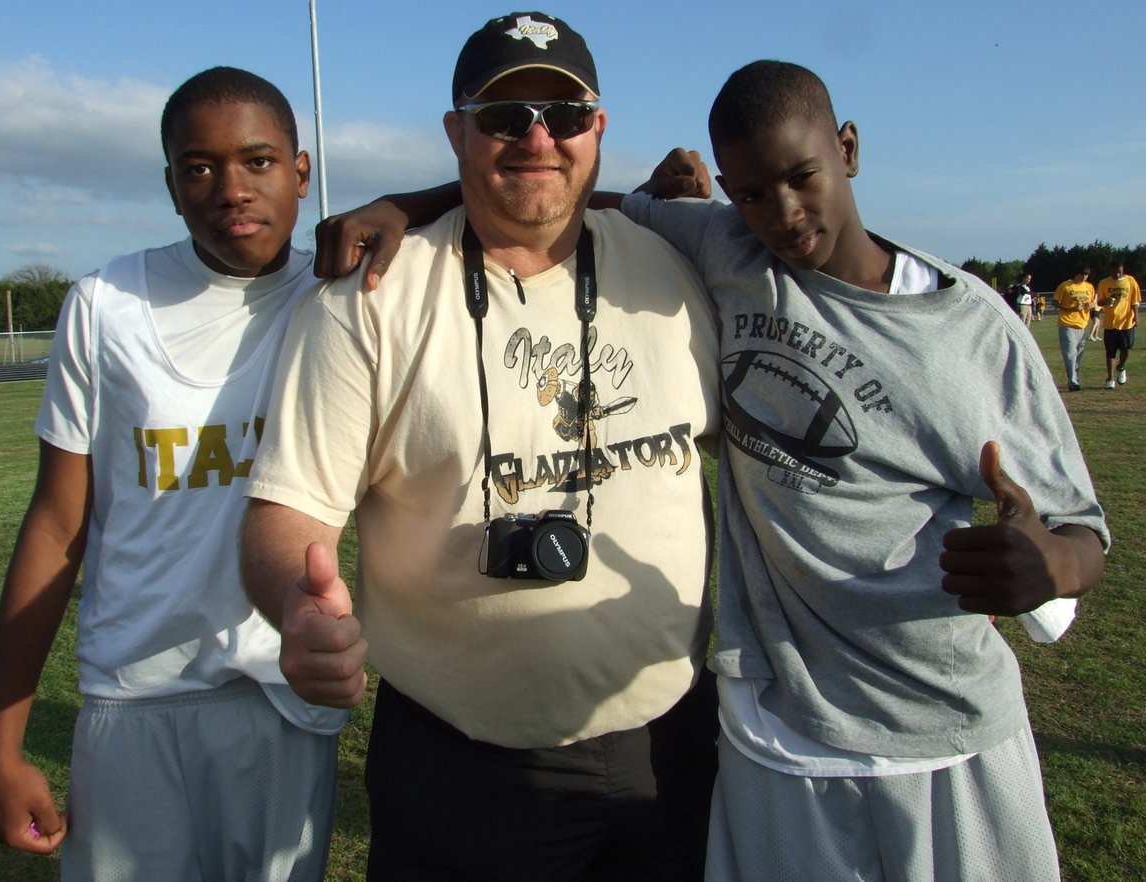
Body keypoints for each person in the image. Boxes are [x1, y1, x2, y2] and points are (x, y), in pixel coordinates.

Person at [327, 58, 1109, 882]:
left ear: (847, 149)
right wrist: (402, 207)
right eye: (748, 191)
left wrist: (1051, 564)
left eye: (801, 177)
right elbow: (547, 191)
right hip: (775, 737)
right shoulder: (725, 248)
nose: (781, 212)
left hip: (939, 729)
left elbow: (1083, 533)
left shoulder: (972, 331)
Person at [240, 12, 721, 882]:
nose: (538, 137)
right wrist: (300, 608)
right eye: (503, 117)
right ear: (456, 131)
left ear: (599, 128)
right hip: (461, 767)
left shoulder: (678, 270)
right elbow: (285, 513)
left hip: (674, 744)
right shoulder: (368, 301)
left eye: (565, 115)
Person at [0, 67, 345, 881]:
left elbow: (489, 210)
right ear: (172, 185)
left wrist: (637, 199)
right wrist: (2, 741)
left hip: (283, 697)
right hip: (133, 695)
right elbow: (58, 523)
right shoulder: (107, 301)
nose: (231, 189)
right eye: (199, 168)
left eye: (258, 161)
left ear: (302, 171)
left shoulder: (340, 294)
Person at [1096, 260, 1141, 389]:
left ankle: (1121, 367)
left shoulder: (1130, 281)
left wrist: (1136, 316)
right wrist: (1107, 300)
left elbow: (1135, 300)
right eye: (1115, 272)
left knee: (1126, 348)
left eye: (1120, 272)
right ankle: (1110, 378)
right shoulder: (1104, 283)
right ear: (1111, 270)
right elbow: (1099, 302)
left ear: (1123, 270)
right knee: (1110, 351)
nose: (1117, 274)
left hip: (1126, 321)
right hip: (1111, 322)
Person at [1054, 266, 1095, 389]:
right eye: (1082, 274)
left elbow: (1093, 303)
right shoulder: (1066, 286)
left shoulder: (1089, 287)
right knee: (1070, 354)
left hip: (1082, 325)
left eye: (1086, 275)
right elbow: (1055, 302)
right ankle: (1072, 382)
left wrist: (1091, 305)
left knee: (1078, 355)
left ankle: (1075, 379)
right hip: (1067, 324)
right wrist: (1070, 308)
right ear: (1076, 274)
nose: (1084, 277)